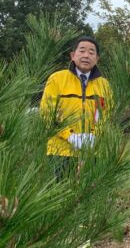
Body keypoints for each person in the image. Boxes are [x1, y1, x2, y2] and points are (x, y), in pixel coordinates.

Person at [40, 36, 110, 180]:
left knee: (89, 197)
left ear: (97, 58)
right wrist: (70, 136)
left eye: (91, 52)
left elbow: (105, 115)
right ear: (73, 55)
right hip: (60, 150)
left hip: (92, 152)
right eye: (82, 50)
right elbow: (47, 112)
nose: (86, 55)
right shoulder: (57, 79)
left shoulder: (103, 85)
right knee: (58, 196)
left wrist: (94, 136)